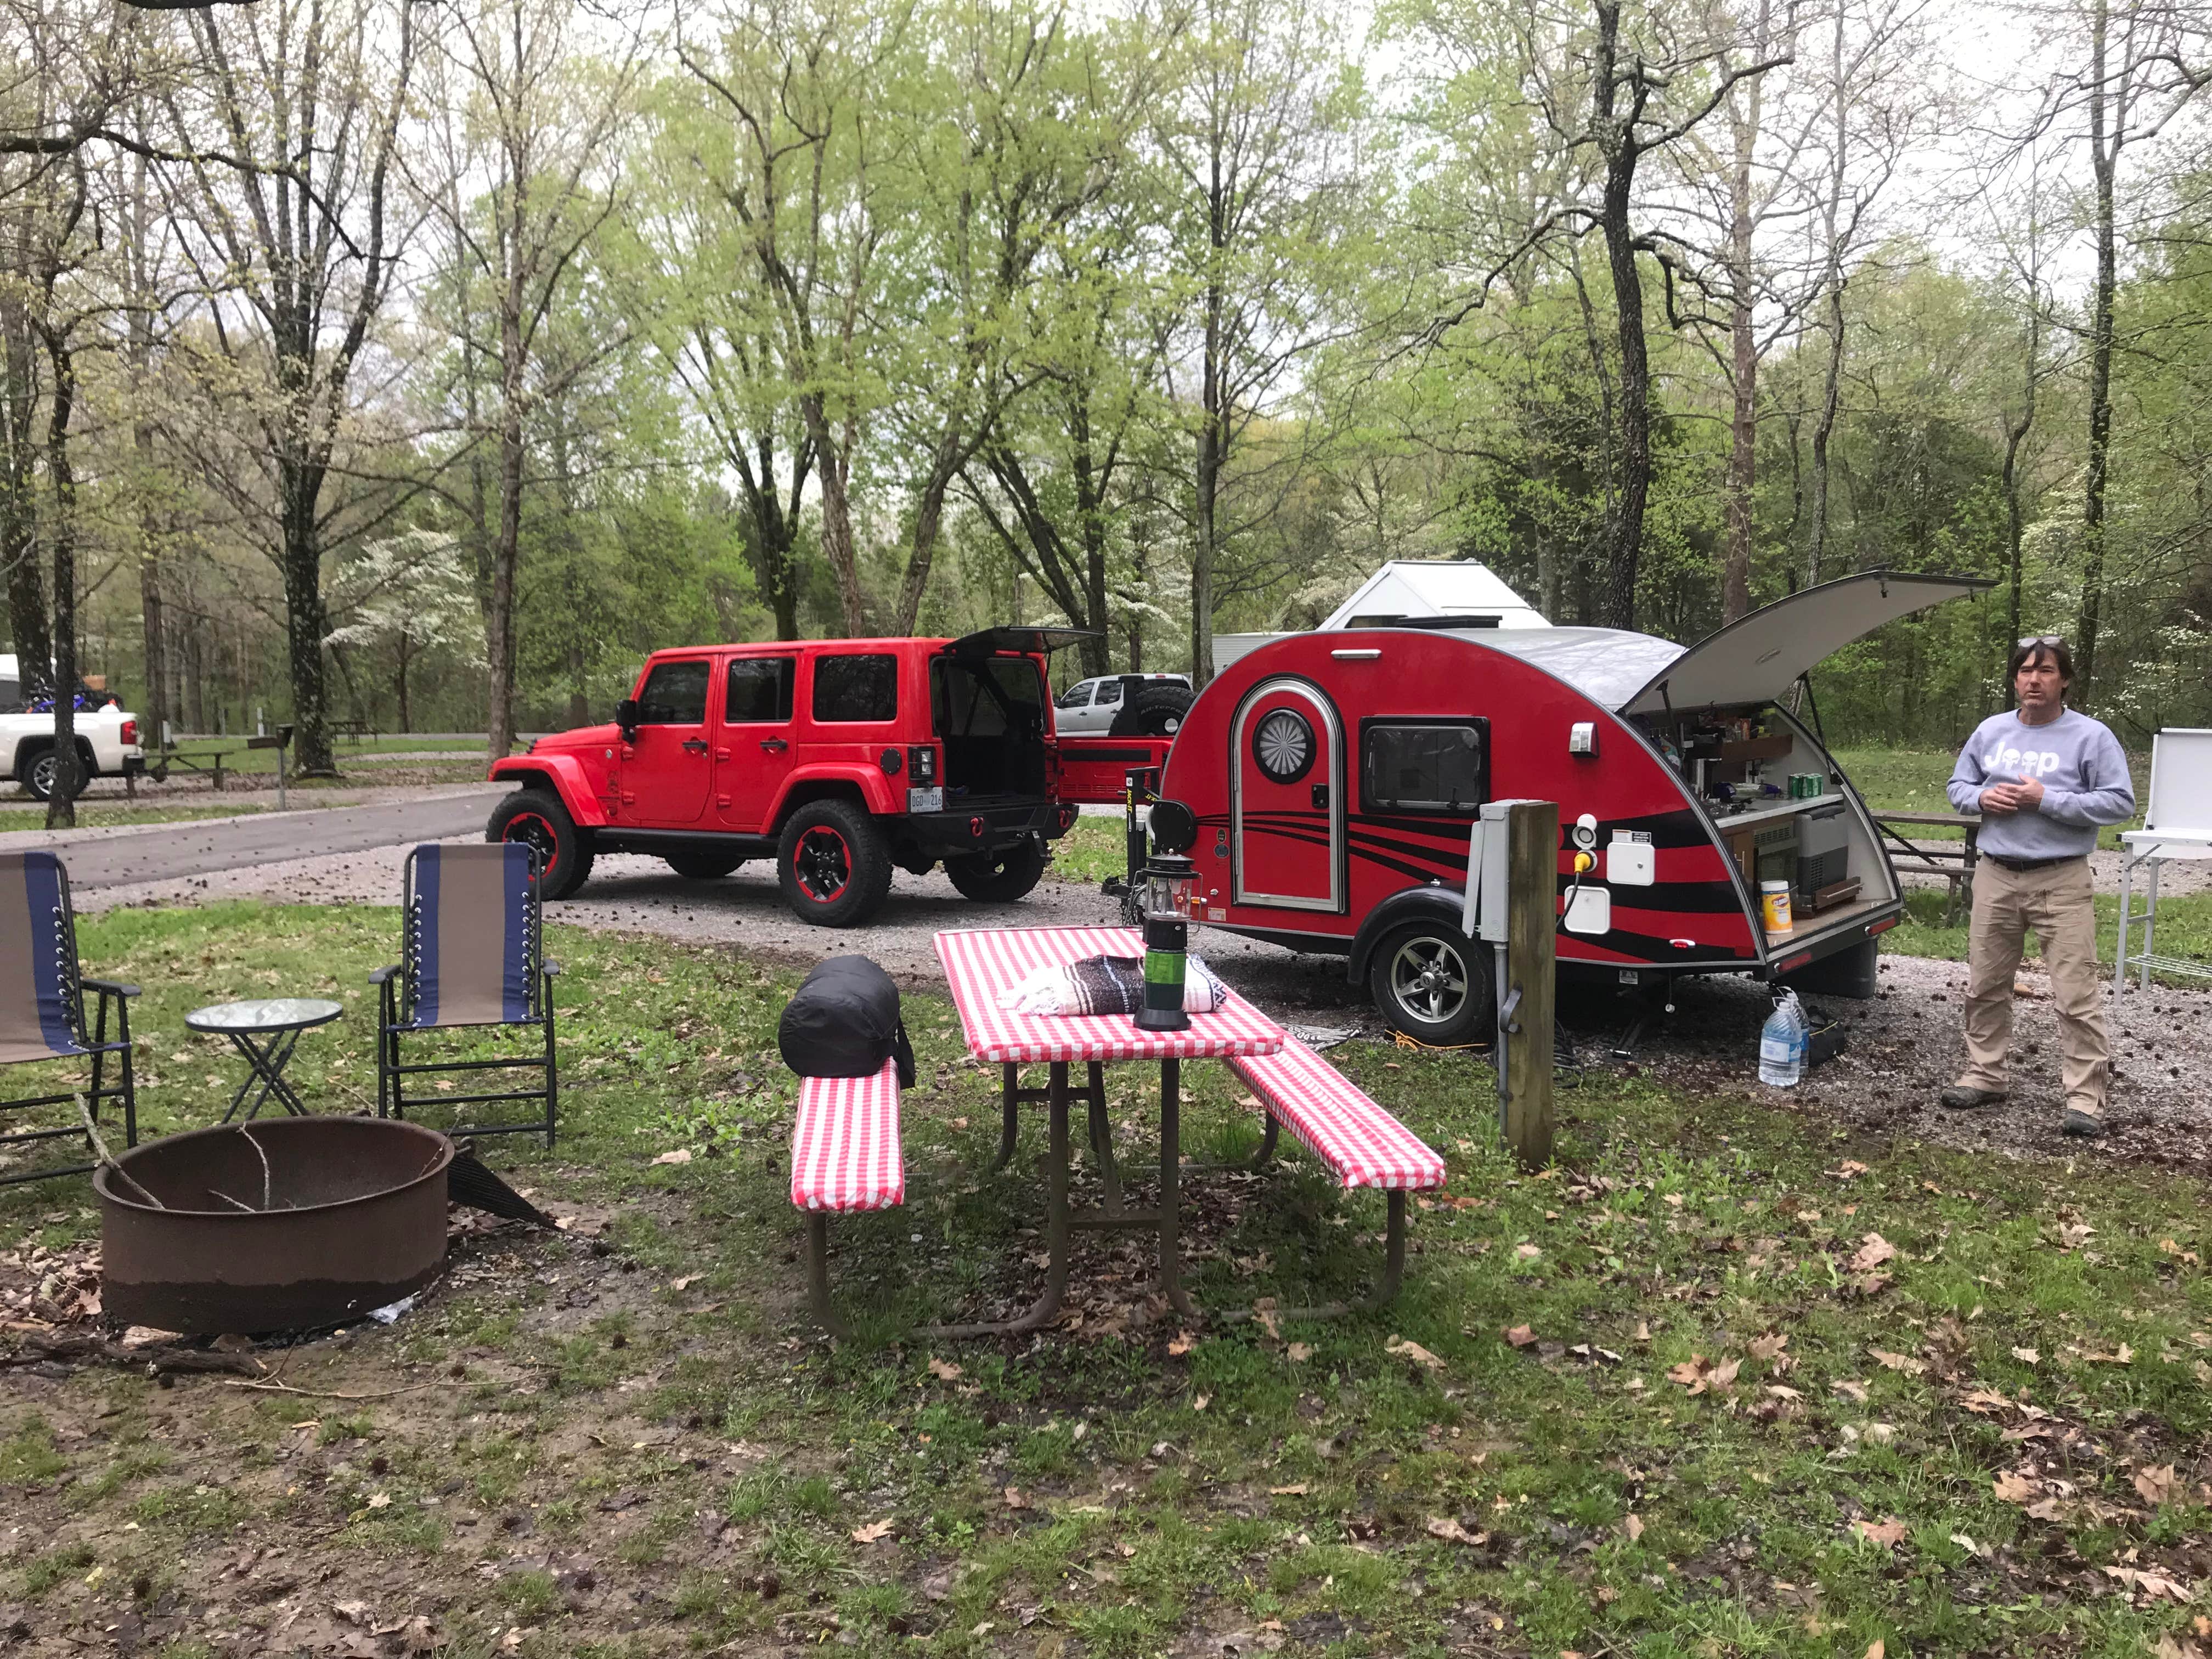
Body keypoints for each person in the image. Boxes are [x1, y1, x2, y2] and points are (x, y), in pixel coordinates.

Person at [1940, 636, 2135, 1135]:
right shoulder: (1991, 731)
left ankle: (2086, 1100)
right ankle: (1985, 1075)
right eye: (2025, 671)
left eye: (2045, 671)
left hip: (2061, 877)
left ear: (2064, 679)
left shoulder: (2091, 737)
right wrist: (1984, 799)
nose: (2033, 680)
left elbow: (2118, 804)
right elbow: (1958, 788)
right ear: (2014, 679)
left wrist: (2046, 799)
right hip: (1996, 874)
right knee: (1985, 984)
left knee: (2076, 993)